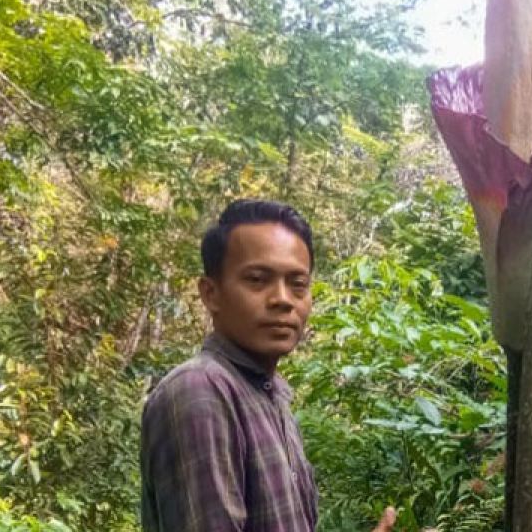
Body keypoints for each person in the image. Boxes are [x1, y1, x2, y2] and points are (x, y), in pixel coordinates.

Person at [140, 198, 397, 532]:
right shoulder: (200, 392)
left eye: (298, 284)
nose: (283, 299)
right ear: (211, 293)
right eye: (258, 280)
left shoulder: (270, 395)